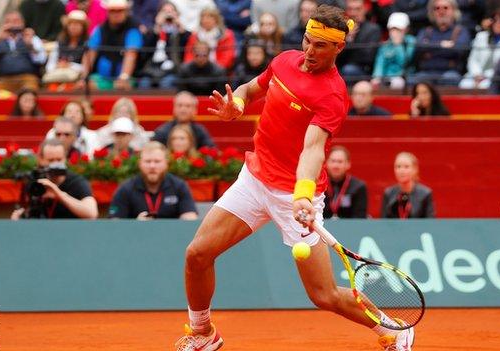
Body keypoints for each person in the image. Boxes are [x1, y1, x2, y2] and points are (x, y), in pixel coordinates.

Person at [177, 5, 415, 351]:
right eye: (307, 40)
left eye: (320, 46)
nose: (309, 51)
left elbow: (313, 149)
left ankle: (393, 328)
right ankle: (203, 333)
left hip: (294, 197)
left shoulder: (333, 95)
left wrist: (302, 194)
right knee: (197, 254)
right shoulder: (285, 60)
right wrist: (238, 105)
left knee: (324, 295)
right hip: (254, 178)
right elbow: (249, 88)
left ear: (338, 48)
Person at [11, 139, 98, 220]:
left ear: (65, 158)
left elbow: (92, 214)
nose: (56, 165)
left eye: (59, 160)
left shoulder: (76, 182)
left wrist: (58, 193)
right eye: (51, 160)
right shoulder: (34, 180)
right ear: (40, 160)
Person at [109, 142, 198, 220]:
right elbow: (115, 222)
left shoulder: (179, 186)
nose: (152, 166)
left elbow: (190, 217)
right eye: (148, 161)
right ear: (140, 164)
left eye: (157, 161)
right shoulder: (126, 189)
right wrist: (135, 225)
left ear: (166, 163)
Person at [79, 0, 142, 91]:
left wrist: (124, 77)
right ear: (107, 12)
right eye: (112, 11)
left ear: (126, 12)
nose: (116, 14)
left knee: (124, 87)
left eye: (120, 10)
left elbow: (131, 54)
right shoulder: (100, 29)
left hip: (126, 78)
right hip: (102, 78)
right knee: (88, 85)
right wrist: (84, 77)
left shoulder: (132, 29)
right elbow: (90, 53)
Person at [411, 0, 471, 86]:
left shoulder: (461, 31)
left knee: (450, 79)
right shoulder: (425, 31)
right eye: (437, 8)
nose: (441, 12)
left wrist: (429, 46)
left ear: (454, 11)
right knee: (412, 81)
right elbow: (418, 48)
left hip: (450, 73)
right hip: (426, 73)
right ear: (432, 12)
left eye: (445, 8)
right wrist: (442, 45)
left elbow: (459, 50)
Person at [0, 11, 47, 93]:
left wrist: (29, 45)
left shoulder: (31, 38)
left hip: (27, 78)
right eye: (9, 21)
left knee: (30, 91)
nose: (13, 24)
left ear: (22, 23)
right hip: (4, 79)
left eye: (16, 21)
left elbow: (41, 59)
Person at [137, 1, 192, 89]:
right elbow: (145, 52)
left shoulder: (180, 33)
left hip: (172, 70)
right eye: (165, 11)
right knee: (144, 83)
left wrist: (178, 24)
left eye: (171, 11)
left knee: (166, 83)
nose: (168, 15)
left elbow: (187, 43)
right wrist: (158, 26)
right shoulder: (152, 32)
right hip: (151, 69)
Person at [459, 10, 500, 90]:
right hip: (475, 74)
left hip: (494, 77)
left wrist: (484, 76)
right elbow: (472, 59)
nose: (498, 24)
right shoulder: (481, 36)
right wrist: (477, 74)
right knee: (464, 84)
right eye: (495, 21)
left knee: (485, 86)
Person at [43, 10, 90, 90]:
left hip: (77, 80)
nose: (74, 27)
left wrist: (70, 65)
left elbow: (86, 68)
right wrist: (58, 66)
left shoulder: (87, 44)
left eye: (77, 24)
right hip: (57, 77)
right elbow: (49, 67)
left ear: (83, 27)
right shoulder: (59, 43)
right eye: (71, 24)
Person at [336, 0, 382, 81]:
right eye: (350, 9)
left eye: (357, 9)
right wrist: (348, 39)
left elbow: (368, 58)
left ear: (364, 9)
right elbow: (336, 56)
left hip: (363, 71)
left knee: (348, 70)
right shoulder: (341, 29)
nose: (353, 13)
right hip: (342, 67)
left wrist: (351, 41)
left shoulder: (373, 29)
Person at [381, 152, 435, 218]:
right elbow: (383, 222)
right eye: (398, 167)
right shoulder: (388, 193)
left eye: (406, 167)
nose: (401, 170)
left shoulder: (425, 194)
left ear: (415, 169)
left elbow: (430, 223)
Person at [371, 12, 416, 90]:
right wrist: (376, 77)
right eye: (392, 29)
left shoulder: (411, 41)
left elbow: (405, 62)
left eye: (398, 29)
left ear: (406, 29)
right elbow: (380, 62)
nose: (394, 32)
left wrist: (398, 46)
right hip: (386, 78)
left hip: (404, 77)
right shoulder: (385, 45)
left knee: (398, 83)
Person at [323, 145, 368, 218]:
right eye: (333, 161)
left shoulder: (359, 187)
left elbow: (360, 218)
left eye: (340, 162)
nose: (335, 165)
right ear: (326, 163)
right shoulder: (319, 186)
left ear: (348, 164)